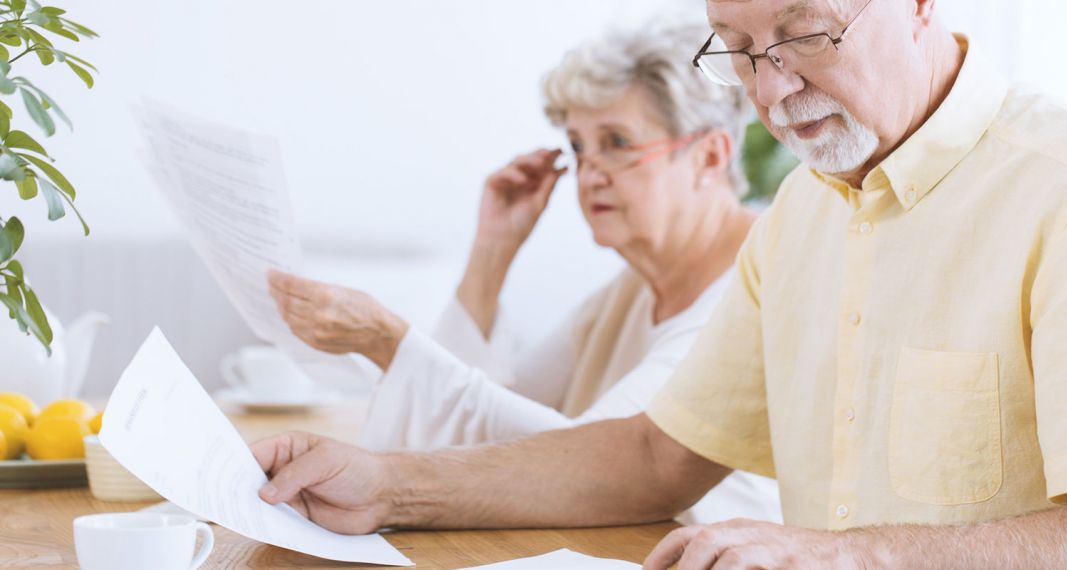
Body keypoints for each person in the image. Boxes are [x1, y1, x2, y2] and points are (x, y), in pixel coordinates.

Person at [253, 1, 1067, 567]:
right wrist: (389, 486)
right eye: (743, 49)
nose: (773, 85)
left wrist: (852, 557)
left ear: (917, 5)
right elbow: (652, 457)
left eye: (801, 31)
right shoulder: (803, 214)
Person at [267, 22, 781, 525]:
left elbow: (601, 469)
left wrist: (388, 342)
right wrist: (492, 252)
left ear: (709, 156)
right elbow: (494, 434)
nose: (591, 171)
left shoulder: (749, 285)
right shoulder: (629, 292)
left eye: (617, 141)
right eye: (578, 147)